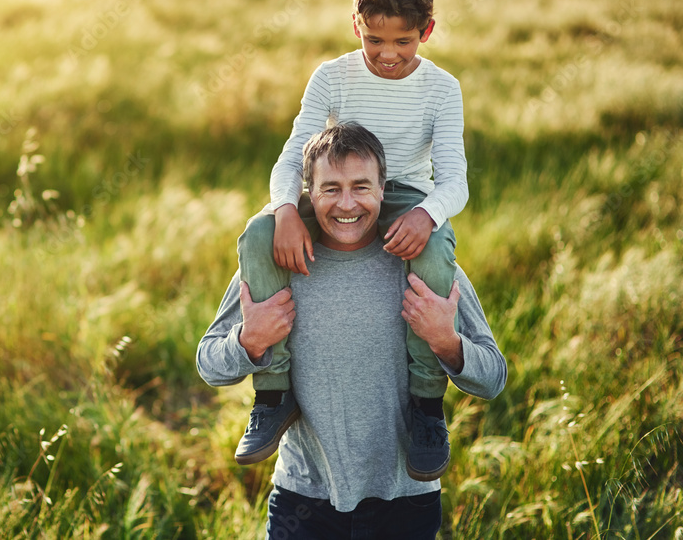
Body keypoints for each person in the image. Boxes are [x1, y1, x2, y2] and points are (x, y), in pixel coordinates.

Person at [196, 123, 506, 538]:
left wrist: (446, 341)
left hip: (406, 501)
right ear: (307, 191)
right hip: (302, 501)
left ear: (384, 189)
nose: (346, 204)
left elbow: (493, 378)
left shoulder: (421, 263)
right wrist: (248, 341)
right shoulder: (277, 260)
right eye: (331, 189)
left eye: (361, 187)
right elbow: (209, 363)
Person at [233, 0, 468, 481]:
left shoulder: (441, 88)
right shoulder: (331, 76)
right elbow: (293, 156)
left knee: (432, 252)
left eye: (403, 42)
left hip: (404, 195)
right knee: (257, 233)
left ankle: (427, 405)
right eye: (374, 41)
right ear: (356, 27)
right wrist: (288, 208)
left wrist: (428, 215)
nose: (388, 55)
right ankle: (273, 393)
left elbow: (455, 179)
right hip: (341, 188)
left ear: (425, 32)